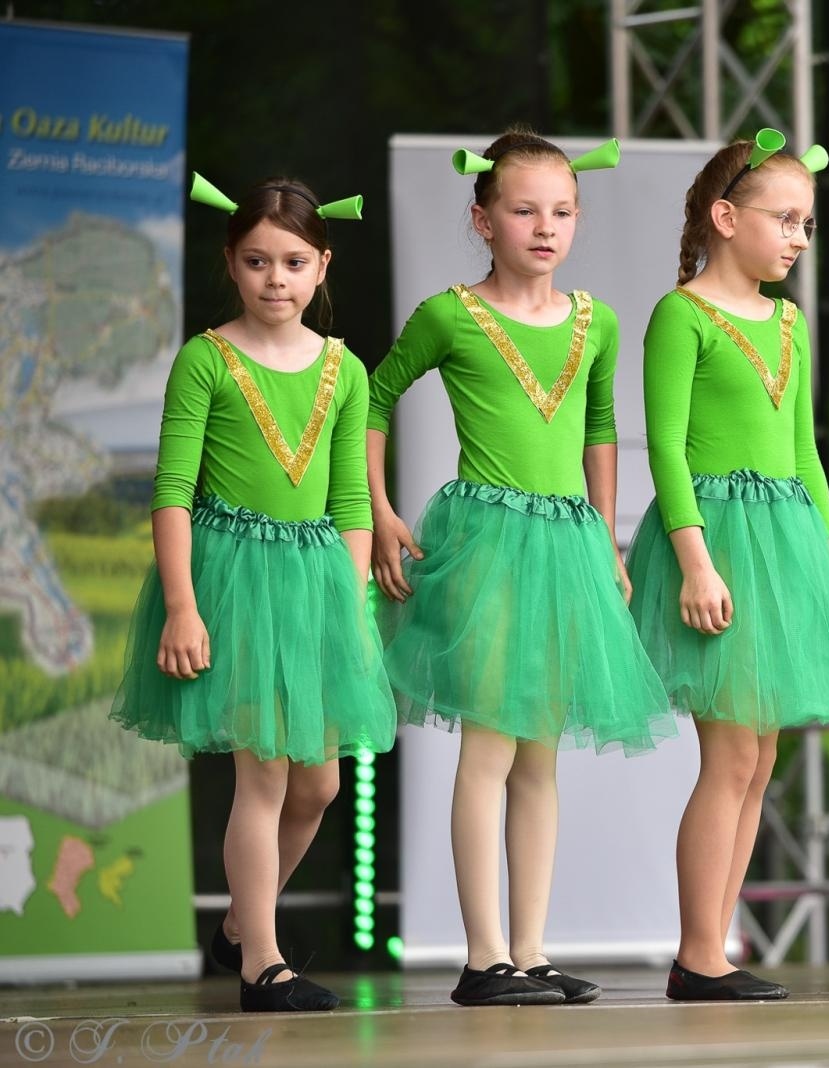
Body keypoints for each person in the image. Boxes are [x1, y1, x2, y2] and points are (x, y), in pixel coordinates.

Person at [367, 130, 673, 1007]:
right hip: (488, 542)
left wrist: (608, 540)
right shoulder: (450, 315)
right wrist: (384, 513)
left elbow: (602, 427)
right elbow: (373, 400)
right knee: (491, 747)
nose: (545, 227)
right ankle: (482, 957)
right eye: (524, 209)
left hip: (569, 544)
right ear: (483, 217)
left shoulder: (596, 321)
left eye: (562, 211)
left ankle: (531, 952)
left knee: (540, 757)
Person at [627, 129, 829, 1001]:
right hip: (717, 544)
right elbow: (666, 451)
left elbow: (808, 458)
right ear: (724, 217)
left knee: (760, 760)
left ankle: (717, 943)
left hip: (785, 543)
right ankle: (697, 952)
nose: (796, 237)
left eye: (807, 225)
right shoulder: (682, 315)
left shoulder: (788, 322)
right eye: (783, 218)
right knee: (730, 753)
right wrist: (697, 564)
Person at [111, 173, 394, 1012]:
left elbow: (350, 503)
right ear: (231, 266)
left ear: (322, 267)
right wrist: (183, 604)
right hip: (232, 580)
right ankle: (262, 965)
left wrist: (345, 608)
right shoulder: (207, 359)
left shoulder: (346, 370)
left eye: (294, 262)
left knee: (320, 786)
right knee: (264, 775)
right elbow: (171, 489)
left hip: (315, 585)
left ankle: (242, 919)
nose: (277, 279)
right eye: (258, 262)